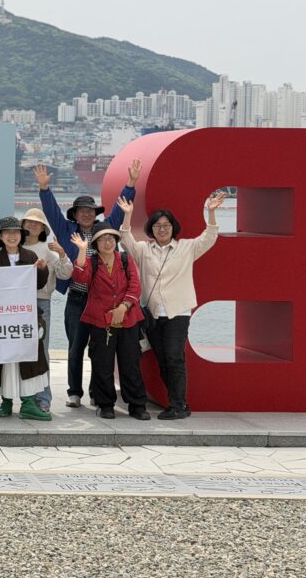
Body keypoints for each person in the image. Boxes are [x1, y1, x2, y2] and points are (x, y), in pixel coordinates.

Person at [34, 160, 141, 408]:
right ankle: (74, 392)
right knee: (75, 348)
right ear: (74, 214)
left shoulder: (105, 230)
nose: (86, 213)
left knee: (100, 350)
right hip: (78, 299)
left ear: (96, 213)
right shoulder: (66, 231)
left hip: (103, 300)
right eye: (82, 210)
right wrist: (44, 189)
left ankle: (97, 391)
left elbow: (118, 211)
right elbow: (51, 212)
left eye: (91, 210)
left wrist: (131, 183)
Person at [117, 192, 225, 420]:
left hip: (178, 312)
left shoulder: (186, 248)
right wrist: (127, 215)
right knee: (163, 360)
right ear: (151, 229)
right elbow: (125, 239)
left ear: (173, 228)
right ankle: (179, 404)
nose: (162, 229)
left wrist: (211, 212)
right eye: (157, 225)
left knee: (175, 357)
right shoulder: (144, 250)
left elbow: (210, 237)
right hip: (153, 314)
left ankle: (177, 405)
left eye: (166, 225)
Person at [70, 222, 149, 420]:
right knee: (102, 364)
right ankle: (105, 404)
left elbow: (135, 286)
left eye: (111, 238)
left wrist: (123, 307)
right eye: (103, 239)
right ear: (95, 243)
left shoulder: (124, 259)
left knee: (130, 363)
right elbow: (80, 277)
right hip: (100, 321)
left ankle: (137, 405)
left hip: (128, 318)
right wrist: (81, 250)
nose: (108, 242)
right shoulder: (92, 262)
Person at [0, 217, 52, 421]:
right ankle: (6, 402)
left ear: (21, 236)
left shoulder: (30, 256)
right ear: (0, 237)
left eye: (16, 232)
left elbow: (38, 284)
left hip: (25, 317)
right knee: (4, 361)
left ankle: (28, 403)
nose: (12, 236)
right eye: (7, 232)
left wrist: (42, 269)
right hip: (0, 320)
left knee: (27, 359)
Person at [20, 208, 73, 412]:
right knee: (20, 351)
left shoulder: (48, 249)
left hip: (41, 302)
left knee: (42, 351)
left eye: (37, 223)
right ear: (23, 225)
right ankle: (25, 397)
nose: (32, 225)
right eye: (28, 222)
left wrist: (61, 253)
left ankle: (44, 398)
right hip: (17, 304)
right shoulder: (17, 246)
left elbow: (65, 274)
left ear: (43, 227)